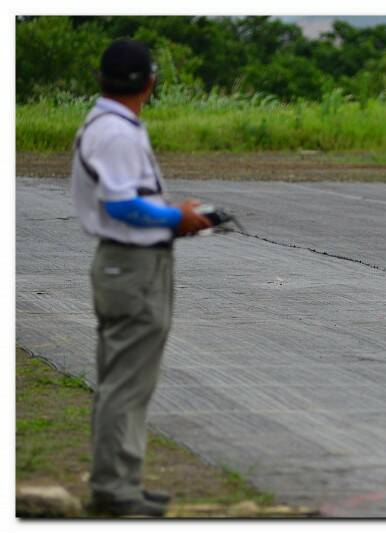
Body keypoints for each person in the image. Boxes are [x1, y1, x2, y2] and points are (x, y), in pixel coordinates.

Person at [71, 38, 211, 517]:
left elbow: (128, 198)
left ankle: (122, 479)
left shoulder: (109, 123)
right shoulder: (117, 132)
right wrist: (178, 218)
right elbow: (121, 205)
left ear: (101, 78)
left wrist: (175, 216)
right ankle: (113, 489)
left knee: (126, 380)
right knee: (126, 383)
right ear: (150, 83)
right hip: (130, 266)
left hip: (129, 262)